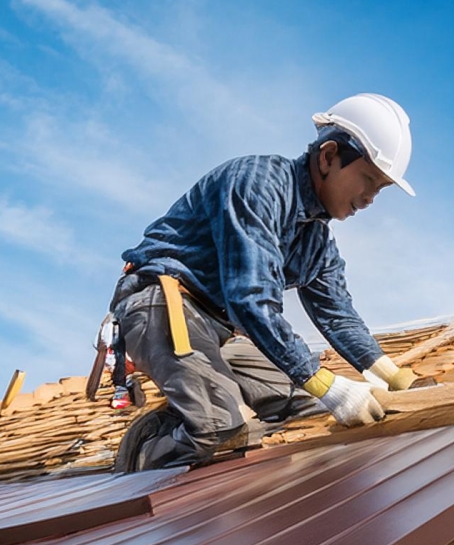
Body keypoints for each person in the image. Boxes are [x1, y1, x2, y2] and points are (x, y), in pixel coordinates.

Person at [109, 93, 422, 471]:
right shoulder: (257, 184)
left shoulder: (316, 243)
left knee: (308, 404)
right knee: (218, 425)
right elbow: (250, 297)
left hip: (219, 329)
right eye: (368, 180)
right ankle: (143, 452)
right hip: (161, 302)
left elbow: (339, 317)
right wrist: (326, 383)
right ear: (328, 156)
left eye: (381, 189)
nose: (371, 198)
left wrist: (398, 379)